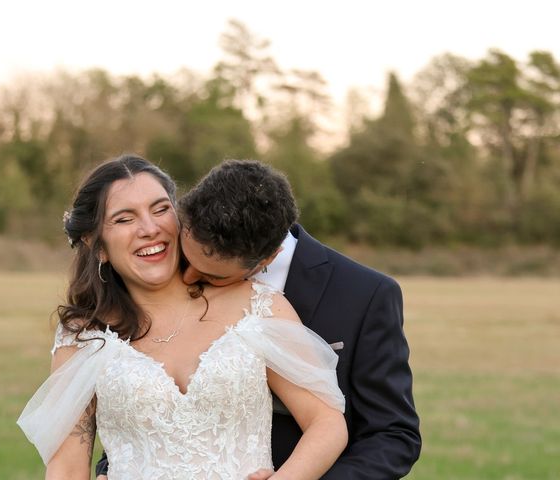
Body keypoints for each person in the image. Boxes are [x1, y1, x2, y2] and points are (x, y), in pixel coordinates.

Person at [17, 154, 348, 479]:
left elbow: (326, 422)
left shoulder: (258, 305)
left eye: (161, 209)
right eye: (124, 219)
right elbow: (66, 468)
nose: (149, 228)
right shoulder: (83, 337)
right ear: (97, 245)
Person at [97, 159, 421, 479]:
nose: (189, 276)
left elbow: (393, 436)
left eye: (213, 276)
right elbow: (150, 385)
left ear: (266, 260)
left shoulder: (365, 294)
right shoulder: (180, 256)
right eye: (187, 258)